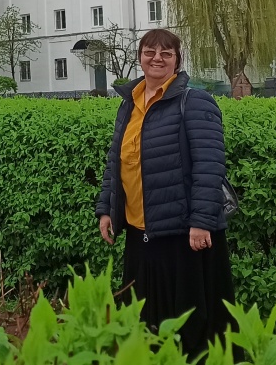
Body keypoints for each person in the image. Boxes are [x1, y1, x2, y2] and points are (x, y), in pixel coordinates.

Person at [96, 28, 233, 355]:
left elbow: (209, 164)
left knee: (190, 326)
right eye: (150, 52)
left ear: (176, 61)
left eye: (166, 53)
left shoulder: (194, 101)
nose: (157, 58)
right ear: (140, 57)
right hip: (140, 232)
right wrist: (106, 208)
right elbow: (116, 160)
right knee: (143, 320)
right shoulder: (129, 103)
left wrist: (201, 221)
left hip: (182, 234)